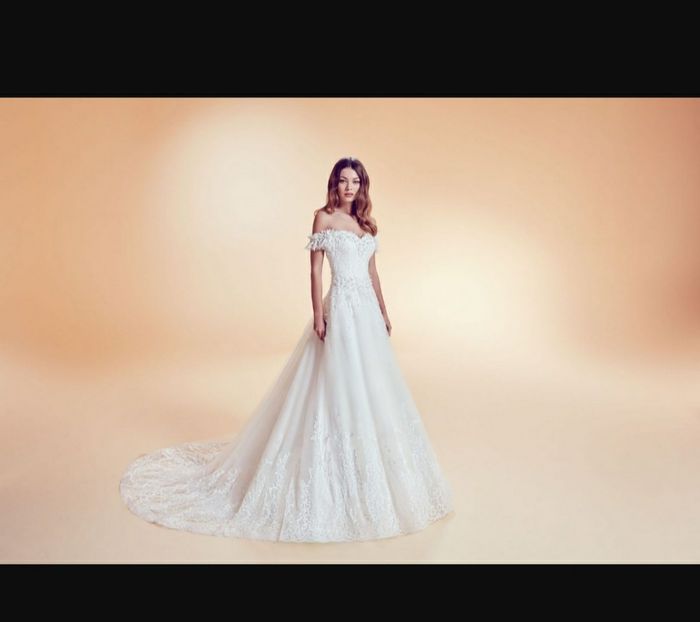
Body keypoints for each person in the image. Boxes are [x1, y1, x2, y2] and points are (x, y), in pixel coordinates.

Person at [120, 157, 453, 542]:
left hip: (366, 315)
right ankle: (330, 464)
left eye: (356, 182)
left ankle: (368, 468)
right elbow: (315, 271)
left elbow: (373, 273)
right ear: (334, 184)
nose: (349, 187)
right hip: (342, 310)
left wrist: (383, 310)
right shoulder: (323, 218)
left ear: (363, 187)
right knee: (336, 384)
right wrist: (318, 315)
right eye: (343, 181)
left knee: (373, 387)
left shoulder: (366, 224)